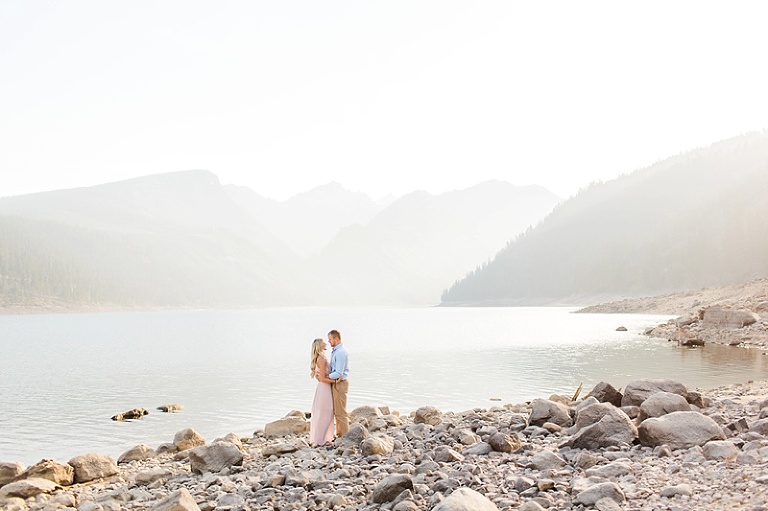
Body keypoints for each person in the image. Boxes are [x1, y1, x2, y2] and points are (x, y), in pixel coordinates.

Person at [308, 338, 335, 446]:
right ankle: (321, 439)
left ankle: (322, 438)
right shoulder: (322, 359)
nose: (326, 343)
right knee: (326, 413)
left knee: (323, 413)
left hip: (322, 388)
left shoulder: (319, 358)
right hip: (324, 388)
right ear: (320, 345)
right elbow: (322, 378)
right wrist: (335, 381)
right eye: (324, 342)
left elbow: (319, 377)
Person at [327, 329, 350, 437]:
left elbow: (338, 373)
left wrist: (325, 377)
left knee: (341, 412)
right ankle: (340, 434)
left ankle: (346, 436)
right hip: (336, 383)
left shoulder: (340, 352)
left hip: (340, 383)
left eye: (330, 339)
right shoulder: (336, 351)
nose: (329, 342)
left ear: (336, 339)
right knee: (337, 411)